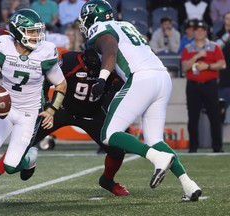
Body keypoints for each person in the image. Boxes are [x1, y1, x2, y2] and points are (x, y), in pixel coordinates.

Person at [79, 0, 202, 201]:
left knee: (109, 133)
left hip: (142, 78)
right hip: (162, 77)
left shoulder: (100, 28)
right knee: (155, 139)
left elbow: (111, 48)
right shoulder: (126, 24)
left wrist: (101, 77)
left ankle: (156, 157)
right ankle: (189, 185)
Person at [0, 49, 130, 197]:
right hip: (62, 110)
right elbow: (49, 78)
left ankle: (107, 180)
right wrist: (47, 104)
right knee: (24, 140)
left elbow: (123, 88)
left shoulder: (113, 68)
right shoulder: (71, 60)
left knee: (116, 150)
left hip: (92, 113)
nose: (94, 69)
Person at [0, 8, 67, 209]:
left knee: (10, 167)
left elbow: (61, 85)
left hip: (29, 113)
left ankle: (30, 158)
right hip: (5, 109)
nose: (36, 36)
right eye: (31, 31)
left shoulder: (46, 52)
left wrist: (52, 110)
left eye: (37, 31)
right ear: (17, 32)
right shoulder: (4, 47)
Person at [181, 20, 226, 153]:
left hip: (210, 85)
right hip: (193, 86)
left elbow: (222, 64)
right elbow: (185, 67)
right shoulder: (188, 48)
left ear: (206, 32)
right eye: (197, 30)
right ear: (193, 32)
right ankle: (193, 148)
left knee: (214, 116)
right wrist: (198, 56)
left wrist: (208, 66)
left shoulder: (214, 46)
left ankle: (217, 148)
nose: (199, 32)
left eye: (202, 30)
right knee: (193, 117)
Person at [215, 11, 230, 123]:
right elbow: (216, 49)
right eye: (227, 19)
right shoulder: (219, 34)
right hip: (224, 71)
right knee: (223, 102)